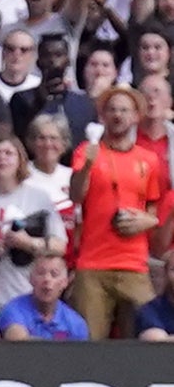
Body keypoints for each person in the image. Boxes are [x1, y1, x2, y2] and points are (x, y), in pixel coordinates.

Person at [66, 87, 169, 339]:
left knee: (146, 336)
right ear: (103, 116)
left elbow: (154, 206)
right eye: (112, 109)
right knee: (88, 340)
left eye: (124, 110)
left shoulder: (150, 159)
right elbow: (75, 196)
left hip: (134, 263)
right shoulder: (87, 151)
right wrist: (88, 165)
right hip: (93, 264)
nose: (118, 115)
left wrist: (149, 220)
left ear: (136, 116)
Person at [0, 251, 88, 340]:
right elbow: (17, 341)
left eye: (54, 274)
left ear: (65, 282)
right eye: (41, 273)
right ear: (31, 279)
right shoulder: (14, 309)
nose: (47, 279)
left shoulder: (76, 323)